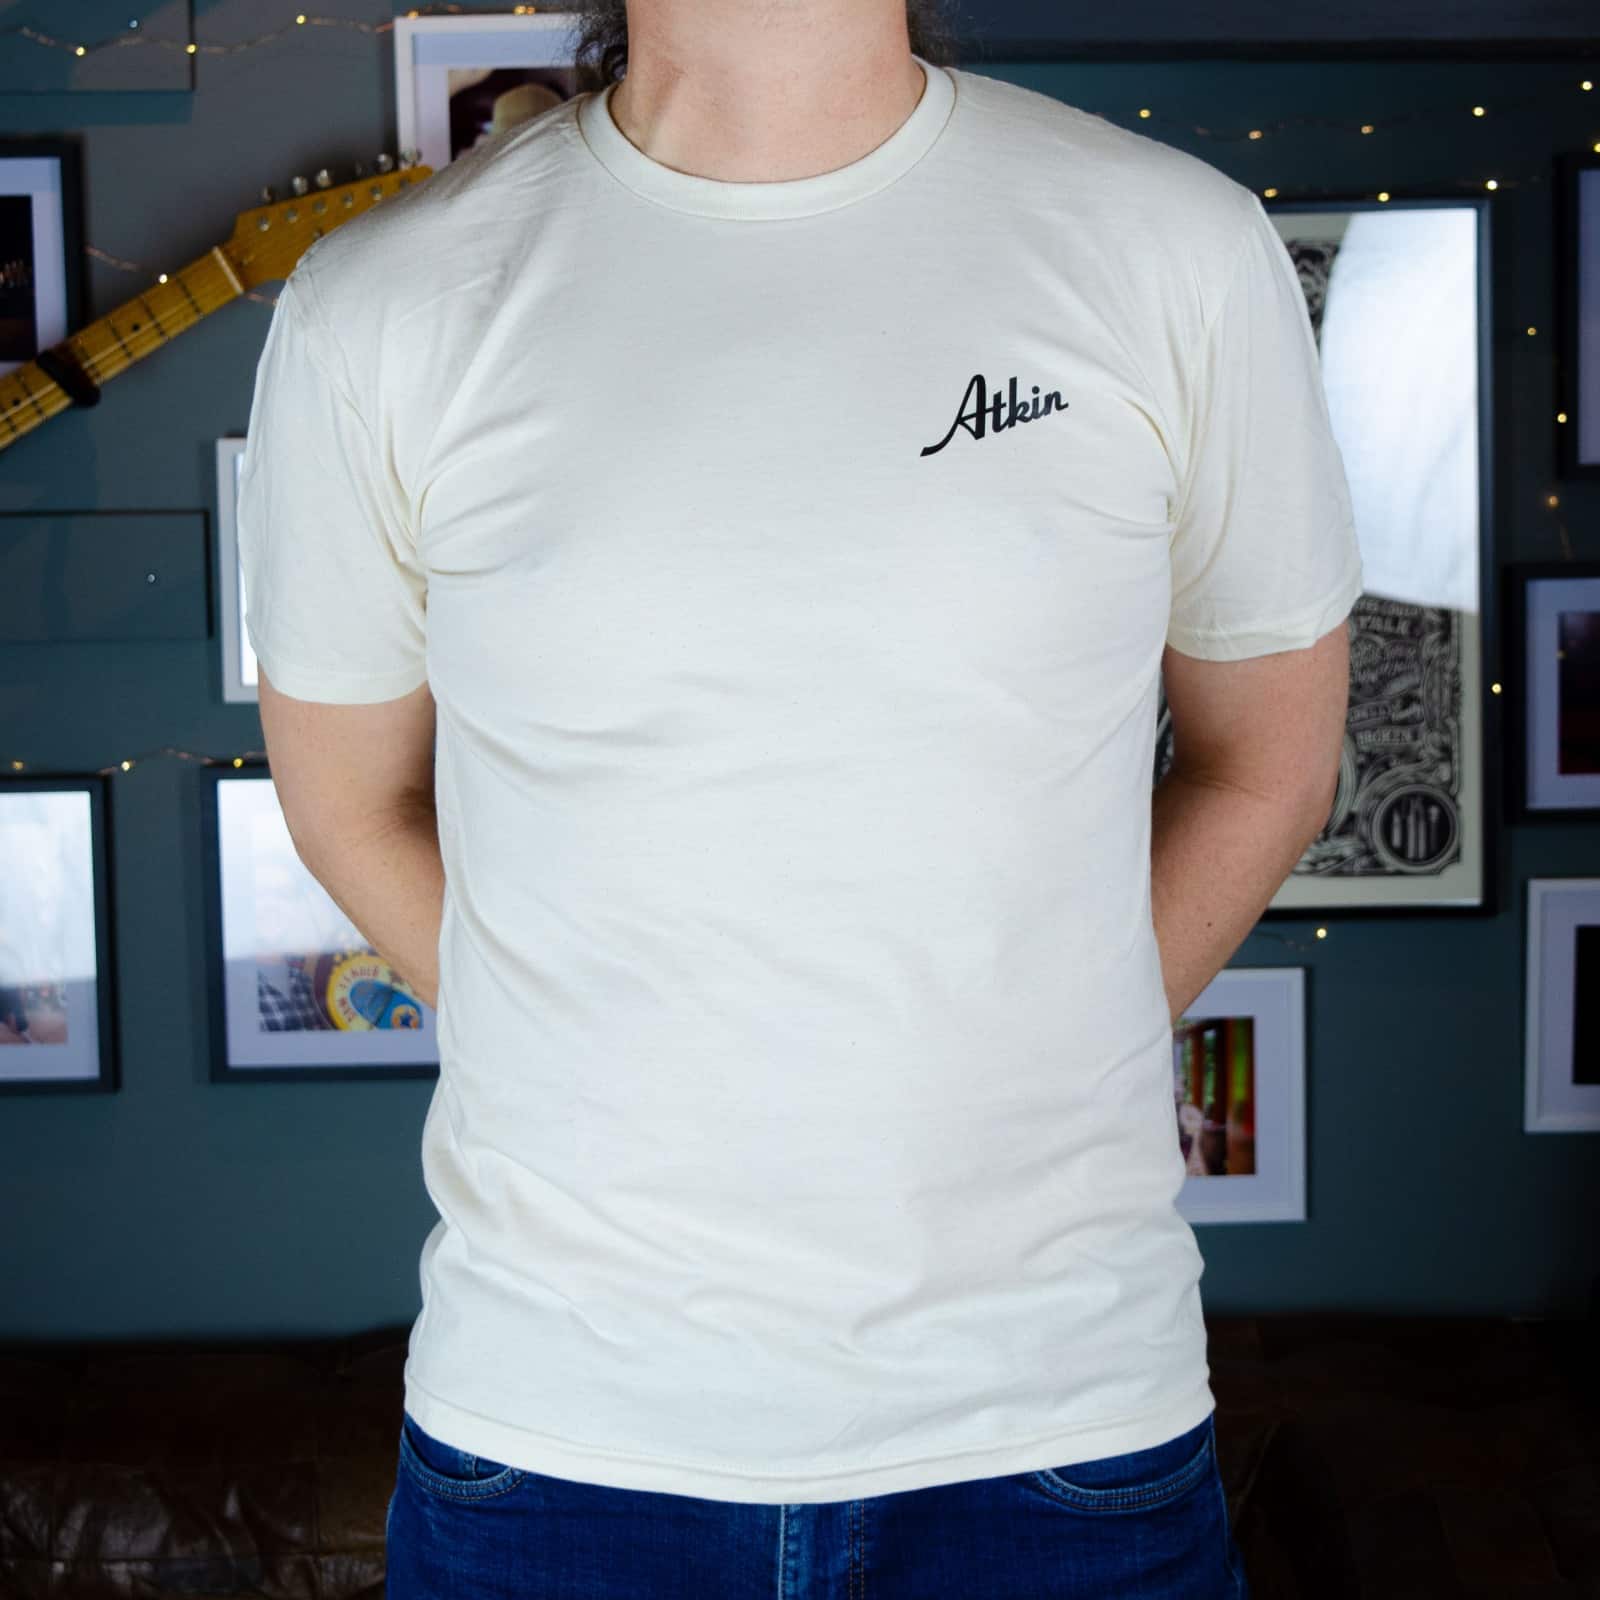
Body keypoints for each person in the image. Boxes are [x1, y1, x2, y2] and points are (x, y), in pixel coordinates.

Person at [236, 0, 1361, 1592]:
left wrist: (1038, 1044)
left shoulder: (1172, 247)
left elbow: (1270, 764)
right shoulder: (384, 306)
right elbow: (348, 806)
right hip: (559, 1437)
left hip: (1056, 1424)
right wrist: (602, 1063)